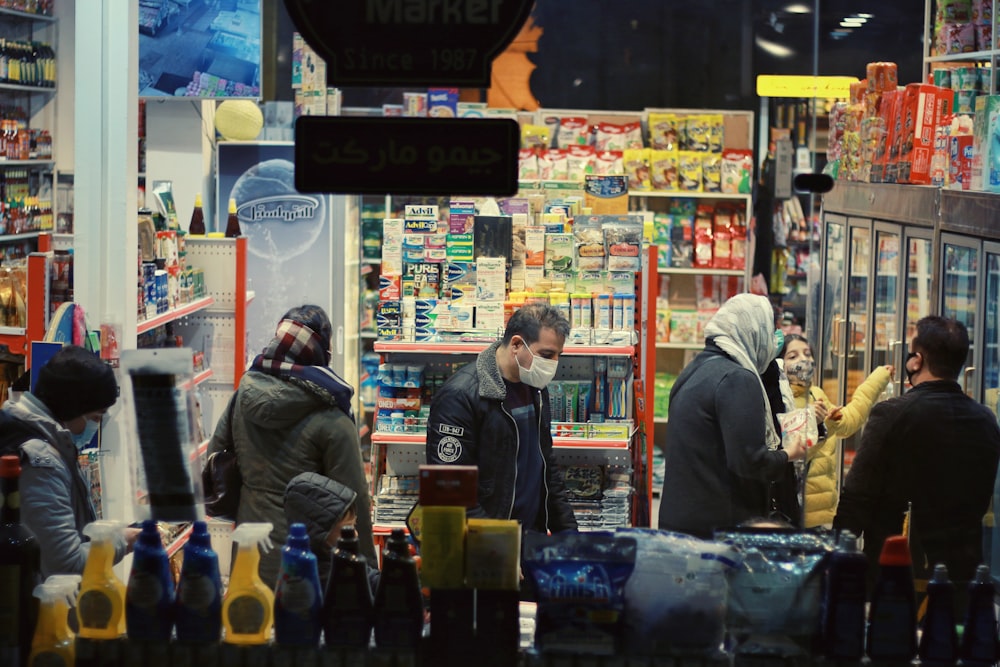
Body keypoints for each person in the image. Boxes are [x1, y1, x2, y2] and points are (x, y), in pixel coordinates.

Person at [833, 316, 1000, 603]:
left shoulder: (892, 413)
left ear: (917, 361)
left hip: (896, 572)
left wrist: (836, 556)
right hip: (963, 575)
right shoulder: (986, 420)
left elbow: (857, 495)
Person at [209, 304, 376, 585]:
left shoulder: (243, 395)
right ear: (321, 352)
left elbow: (216, 456)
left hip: (249, 551)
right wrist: (368, 571)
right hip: (304, 563)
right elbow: (354, 500)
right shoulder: (332, 414)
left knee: (250, 623)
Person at [657, 293, 807, 539]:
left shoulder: (695, 369)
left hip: (681, 522)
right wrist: (789, 453)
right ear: (753, 330)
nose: (773, 342)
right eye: (770, 332)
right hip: (717, 529)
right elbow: (749, 462)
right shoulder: (737, 379)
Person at [426, 303, 577, 534]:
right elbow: (450, 492)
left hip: (528, 538)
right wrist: (497, 550)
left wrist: (568, 536)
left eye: (558, 355)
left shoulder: (535, 387)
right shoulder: (460, 395)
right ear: (516, 344)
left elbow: (546, 466)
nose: (553, 363)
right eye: (546, 355)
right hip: (482, 548)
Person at [0, 345, 139, 576]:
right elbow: (64, 564)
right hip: (38, 607)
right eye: (96, 417)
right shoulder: (41, 462)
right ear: (73, 407)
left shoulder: (23, 431)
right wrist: (122, 542)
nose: (96, 426)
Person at [779, 333, 891, 529]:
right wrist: (819, 425)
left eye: (807, 354)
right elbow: (793, 458)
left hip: (824, 515)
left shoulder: (816, 394)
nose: (803, 360)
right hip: (796, 516)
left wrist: (877, 380)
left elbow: (847, 423)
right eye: (793, 356)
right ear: (779, 363)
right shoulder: (780, 401)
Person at [283, 471, 379, 593]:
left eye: (354, 526)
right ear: (321, 534)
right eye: (347, 528)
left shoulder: (337, 560)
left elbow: (370, 579)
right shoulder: (329, 576)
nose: (355, 534)